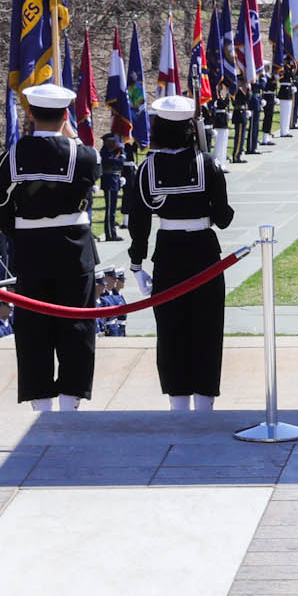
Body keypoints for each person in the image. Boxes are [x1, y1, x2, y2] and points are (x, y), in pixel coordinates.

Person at [0, 80, 100, 412]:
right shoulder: (83, 154)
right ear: (66, 114)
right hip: (73, 251)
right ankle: (70, 400)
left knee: (33, 328)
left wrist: (20, 232)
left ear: (31, 114)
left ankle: (40, 404)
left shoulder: (12, 155)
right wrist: (74, 137)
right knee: (76, 326)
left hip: (31, 250)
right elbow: (89, 177)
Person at [124, 93, 235, 411]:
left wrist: (136, 264)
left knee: (171, 329)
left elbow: (140, 220)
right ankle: (204, 404)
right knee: (207, 327)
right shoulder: (208, 164)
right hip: (203, 252)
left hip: (168, 254)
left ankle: (178, 404)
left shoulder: (147, 169)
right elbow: (224, 219)